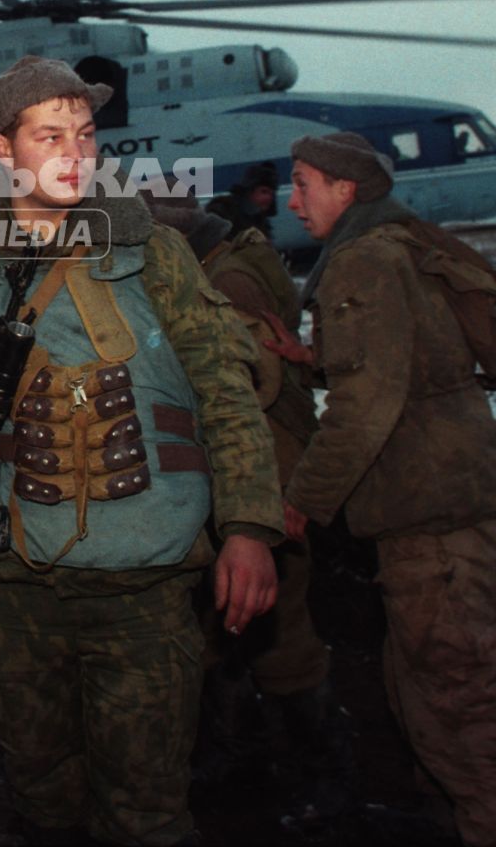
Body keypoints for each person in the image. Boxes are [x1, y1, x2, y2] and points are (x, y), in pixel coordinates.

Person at [0, 55, 284, 846]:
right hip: (5, 579)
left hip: (145, 582)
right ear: (0, 149)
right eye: (49, 135)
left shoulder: (153, 252)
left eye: (84, 134)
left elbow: (224, 389)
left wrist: (251, 528)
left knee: (148, 808)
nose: (74, 153)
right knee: (42, 790)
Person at [284, 131, 496, 847]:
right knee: (418, 690)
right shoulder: (400, 244)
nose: (292, 198)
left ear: (346, 191)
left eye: (304, 182)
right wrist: (309, 358)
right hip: (458, 498)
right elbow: (405, 360)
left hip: (436, 517)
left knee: (456, 699)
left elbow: (365, 405)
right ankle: (450, 822)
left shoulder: (363, 261)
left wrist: (298, 502)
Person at [153, 199, 350, 819]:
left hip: (264, 460)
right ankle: (244, 756)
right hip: (263, 453)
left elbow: (245, 382)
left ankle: (321, 775)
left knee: (277, 620)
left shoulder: (226, 282)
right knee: (227, 615)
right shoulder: (237, 260)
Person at [205, 161, 280, 240]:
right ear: (250, 191)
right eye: (264, 192)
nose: (269, 198)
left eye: (272, 194)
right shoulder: (222, 210)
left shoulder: (261, 223)